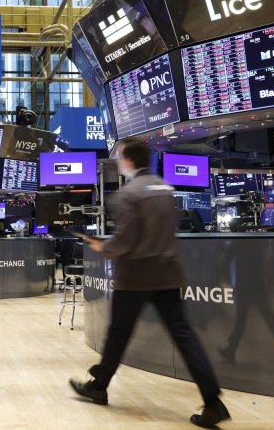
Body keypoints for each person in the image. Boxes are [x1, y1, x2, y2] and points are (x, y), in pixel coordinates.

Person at [69, 138, 230, 429]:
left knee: (118, 333)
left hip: (135, 277)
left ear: (128, 160)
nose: (118, 162)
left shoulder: (126, 195)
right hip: (168, 273)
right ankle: (212, 401)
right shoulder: (165, 189)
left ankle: (98, 385)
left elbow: (127, 240)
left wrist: (102, 246)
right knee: (184, 336)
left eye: (119, 157)